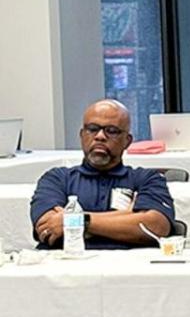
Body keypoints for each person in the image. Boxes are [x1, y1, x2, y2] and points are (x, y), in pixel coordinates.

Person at [29, 100, 175, 249]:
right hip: (66, 266)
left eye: (111, 131)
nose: (100, 136)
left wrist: (80, 220)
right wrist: (128, 218)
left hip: (127, 267)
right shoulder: (57, 179)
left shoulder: (147, 179)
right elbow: (47, 227)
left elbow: (157, 227)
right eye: (92, 129)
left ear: (127, 141)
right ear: (81, 135)